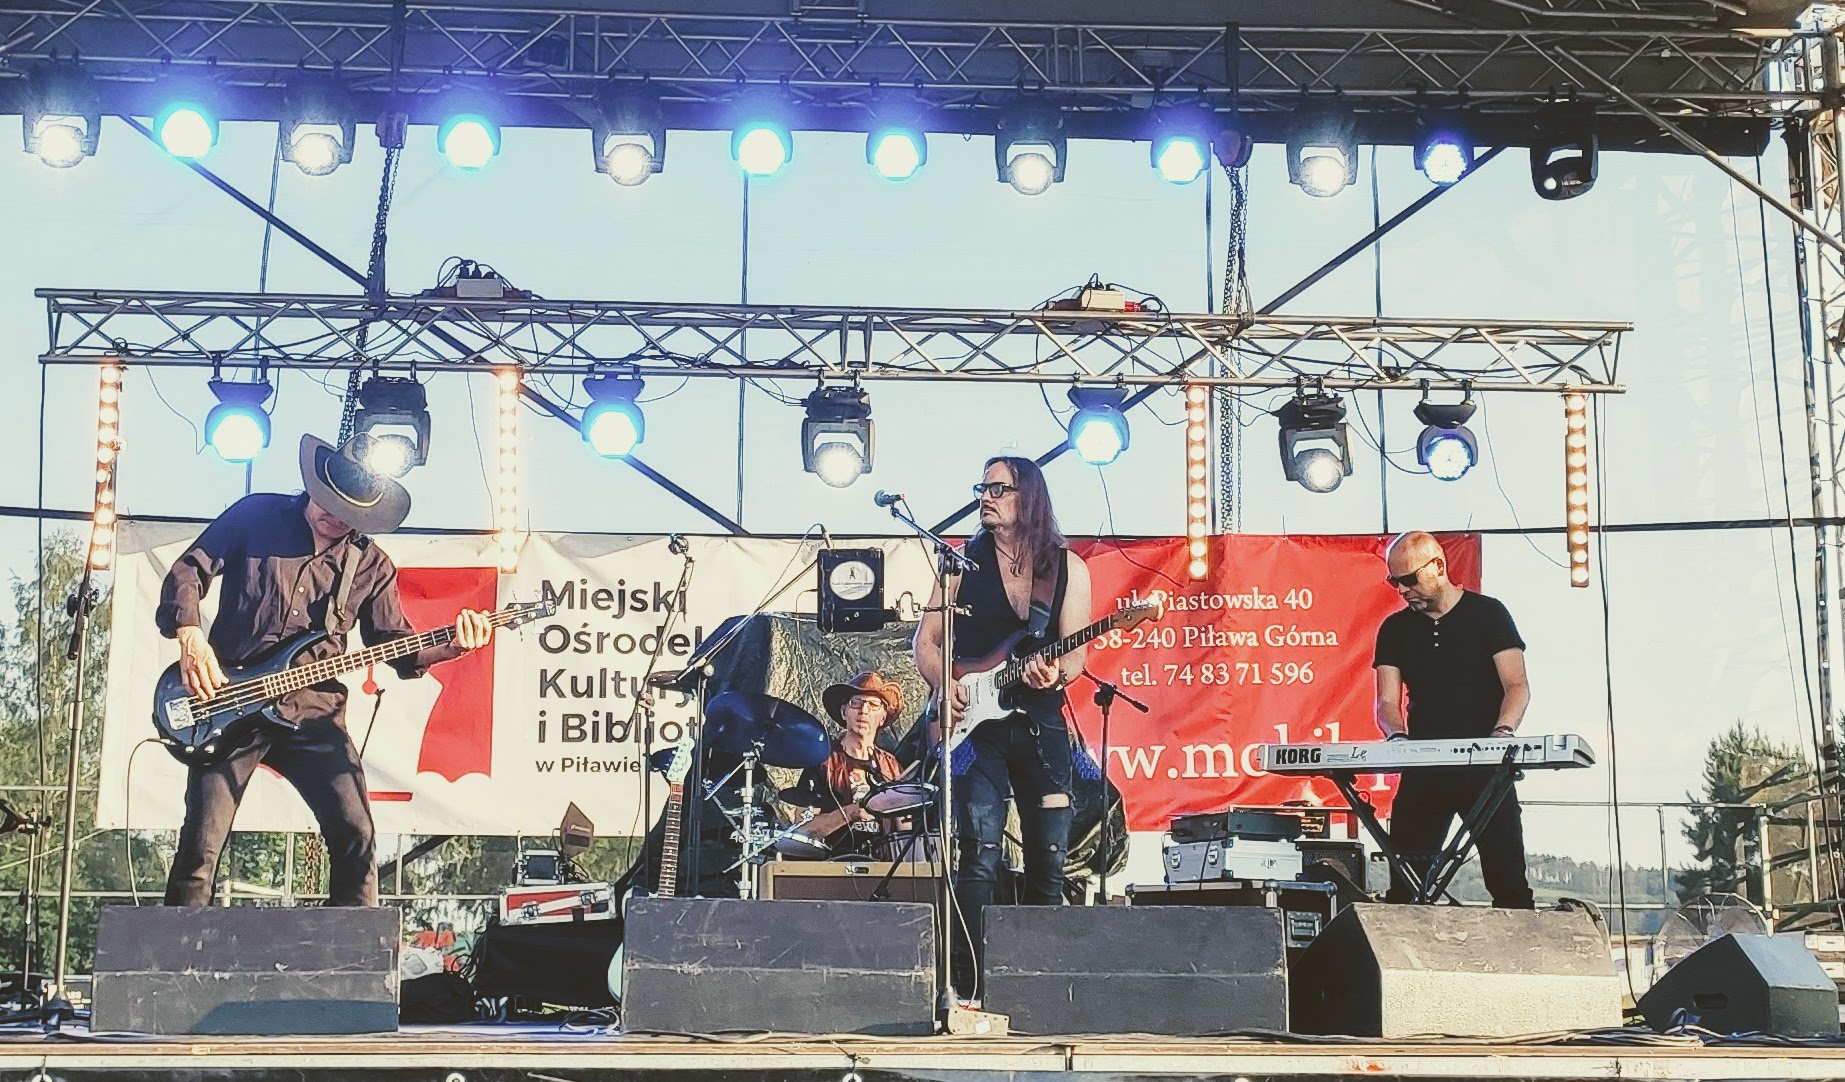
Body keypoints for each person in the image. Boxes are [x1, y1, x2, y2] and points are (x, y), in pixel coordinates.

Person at [156, 433, 495, 907]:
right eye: (328, 504)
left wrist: (453, 646)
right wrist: (190, 635)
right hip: (226, 700)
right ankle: (175, 953)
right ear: (315, 485)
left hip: (313, 712)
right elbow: (189, 570)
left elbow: (393, 645)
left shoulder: (371, 566)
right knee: (200, 845)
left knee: (356, 836)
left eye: (346, 515)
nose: (332, 517)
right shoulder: (255, 514)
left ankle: (354, 953)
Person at [914, 455, 1093, 1003]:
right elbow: (926, 642)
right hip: (975, 728)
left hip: (1040, 722)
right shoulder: (960, 564)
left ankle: (1036, 982)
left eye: (998, 488)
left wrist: (1055, 672)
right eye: (983, 487)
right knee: (980, 851)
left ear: (1028, 496)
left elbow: (1076, 655)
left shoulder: (1068, 568)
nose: (985, 497)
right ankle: (968, 984)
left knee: (1050, 857)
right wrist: (945, 683)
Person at [1373, 530, 1535, 908]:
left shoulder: (1489, 614)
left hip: (1484, 767)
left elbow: (1517, 685)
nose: (1403, 590)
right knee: (1405, 888)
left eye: (1410, 579)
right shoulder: (1394, 629)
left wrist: (1502, 733)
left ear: (1438, 567)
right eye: (1395, 582)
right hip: (1425, 767)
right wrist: (1397, 738)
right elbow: (1386, 701)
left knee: (1509, 885)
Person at [781, 671, 909, 857]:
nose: (864, 711)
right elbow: (803, 829)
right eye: (856, 703)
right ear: (844, 712)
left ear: (882, 717)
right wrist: (850, 813)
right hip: (834, 863)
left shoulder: (891, 767)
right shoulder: (822, 761)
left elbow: (904, 831)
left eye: (873, 705)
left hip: (882, 865)